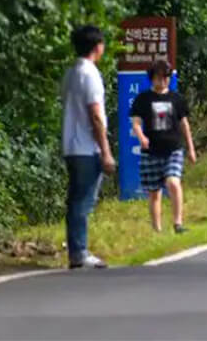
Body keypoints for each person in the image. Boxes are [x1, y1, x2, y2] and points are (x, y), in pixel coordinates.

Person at [61, 25, 116, 269]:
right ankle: (79, 252)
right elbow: (95, 115)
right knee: (83, 201)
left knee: (76, 200)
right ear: (97, 46)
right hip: (86, 147)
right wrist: (105, 151)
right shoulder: (90, 74)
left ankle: (76, 250)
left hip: (71, 144)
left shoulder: (71, 73)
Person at [129, 60, 197, 233]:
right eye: (159, 78)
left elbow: (184, 124)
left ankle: (178, 223)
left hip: (173, 149)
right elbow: (136, 122)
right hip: (151, 151)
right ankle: (157, 229)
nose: (163, 81)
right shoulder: (143, 99)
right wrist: (141, 136)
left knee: (173, 182)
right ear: (152, 79)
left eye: (166, 77)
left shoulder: (176, 99)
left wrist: (191, 148)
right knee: (154, 192)